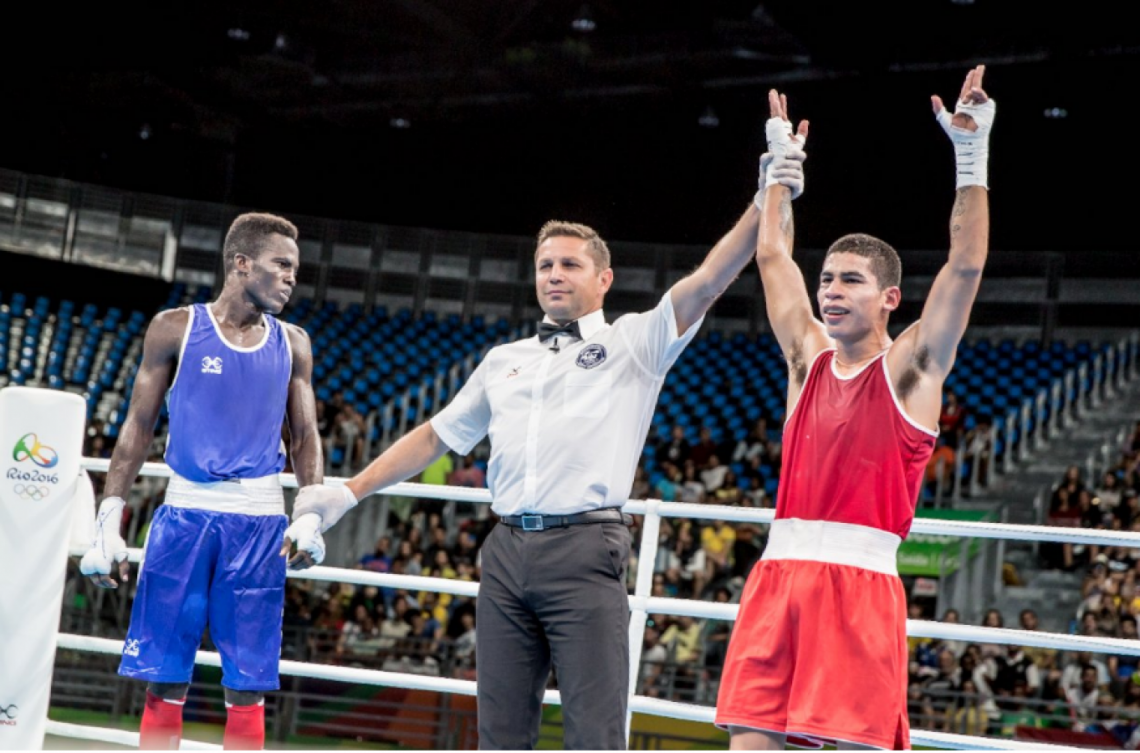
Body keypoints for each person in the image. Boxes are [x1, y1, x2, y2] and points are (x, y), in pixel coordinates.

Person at [287, 115, 808, 749]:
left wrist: (765, 197)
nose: (555, 274)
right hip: (505, 552)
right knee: (500, 734)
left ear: (603, 280)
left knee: (594, 735)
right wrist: (349, 492)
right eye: (545, 265)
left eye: (569, 264)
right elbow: (435, 436)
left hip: (586, 550)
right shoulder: (503, 360)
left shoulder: (634, 342)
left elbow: (706, 281)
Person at [716, 66, 996, 750]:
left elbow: (964, 267)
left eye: (851, 280)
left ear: (890, 298)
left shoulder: (909, 370)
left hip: (859, 587)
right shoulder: (804, 359)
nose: (831, 291)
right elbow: (773, 253)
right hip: (778, 578)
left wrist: (971, 155)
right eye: (828, 279)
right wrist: (779, 168)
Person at [78, 213, 326, 750]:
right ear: (241, 263)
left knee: (248, 683)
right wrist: (108, 518)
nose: (291, 278)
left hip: (260, 522)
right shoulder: (175, 328)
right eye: (281, 264)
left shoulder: (295, 343)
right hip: (183, 513)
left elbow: (306, 435)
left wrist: (311, 511)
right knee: (165, 672)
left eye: (295, 269)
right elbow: (138, 426)